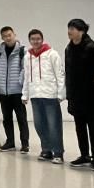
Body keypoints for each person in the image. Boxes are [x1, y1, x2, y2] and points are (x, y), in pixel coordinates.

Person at [65, 19, 94, 169]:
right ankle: (84, 155)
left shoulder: (92, 48)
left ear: (82, 31)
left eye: (73, 28)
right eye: (69, 28)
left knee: (93, 128)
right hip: (75, 96)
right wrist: (69, 94)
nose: (70, 31)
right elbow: (68, 72)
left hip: (90, 95)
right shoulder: (69, 49)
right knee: (79, 127)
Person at [23, 29, 66, 164]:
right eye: (33, 39)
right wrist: (25, 94)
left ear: (42, 39)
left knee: (53, 125)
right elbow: (26, 76)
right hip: (35, 95)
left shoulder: (52, 54)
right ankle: (46, 150)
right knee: (39, 124)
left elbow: (60, 74)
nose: (35, 41)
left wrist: (61, 93)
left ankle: (58, 153)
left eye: (38, 39)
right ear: (29, 40)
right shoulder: (27, 56)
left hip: (50, 95)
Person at [0, 26, 29, 153]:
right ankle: (10, 142)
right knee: (6, 118)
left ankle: (25, 144)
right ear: (2, 37)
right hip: (4, 92)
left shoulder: (22, 51)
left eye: (9, 35)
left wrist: (19, 82)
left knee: (21, 118)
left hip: (17, 92)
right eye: (4, 36)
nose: (7, 38)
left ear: (14, 34)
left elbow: (25, 68)